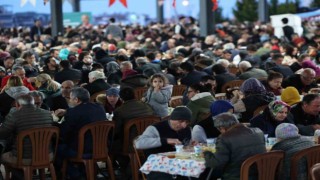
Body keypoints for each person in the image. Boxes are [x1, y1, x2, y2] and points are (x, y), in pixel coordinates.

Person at [56, 87, 107, 178]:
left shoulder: (73, 112)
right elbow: (85, 112)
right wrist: (67, 112)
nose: (70, 101)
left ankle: (73, 175)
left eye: (70, 98)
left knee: (58, 148)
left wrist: (55, 123)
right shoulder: (99, 107)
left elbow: (64, 132)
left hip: (81, 150)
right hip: (101, 147)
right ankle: (86, 172)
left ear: (76, 99)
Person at [135, 106, 192, 179]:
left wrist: (191, 146)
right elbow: (139, 143)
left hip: (178, 165)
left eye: (187, 122)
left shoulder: (187, 129)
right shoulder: (155, 128)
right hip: (157, 167)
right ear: (172, 119)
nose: (184, 125)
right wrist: (166, 140)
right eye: (181, 121)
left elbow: (187, 146)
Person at [203, 113, 266, 179]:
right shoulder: (259, 132)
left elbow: (217, 164)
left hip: (237, 176)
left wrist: (206, 153)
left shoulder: (224, 137)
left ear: (222, 128)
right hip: (261, 175)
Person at [0, 94, 53, 165]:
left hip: (23, 158)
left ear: (17, 104)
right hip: (47, 155)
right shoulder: (47, 114)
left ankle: (20, 176)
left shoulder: (15, 115)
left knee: (3, 155)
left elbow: (2, 134)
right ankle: (25, 175)